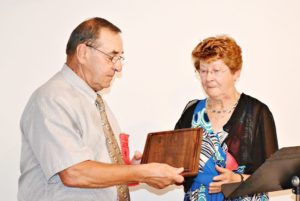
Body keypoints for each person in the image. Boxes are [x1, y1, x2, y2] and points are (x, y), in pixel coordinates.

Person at [18, 17, 184, 201]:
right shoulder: (52, 98)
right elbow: (74, 172)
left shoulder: (96, 102)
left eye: (120, 58)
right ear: (82, 52)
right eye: (111, 57)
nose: (118, 67)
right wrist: (140, 172)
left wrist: (131, 167)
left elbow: (95, 168)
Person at [175, 35, 278, 201]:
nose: (208, 78)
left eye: (216, 71)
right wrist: (147, 164)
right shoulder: (191, 111)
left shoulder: (257, 112)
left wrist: (237, 180)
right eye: (203, 70)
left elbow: (273, 176)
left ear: (235, 72)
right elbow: (174, 163)